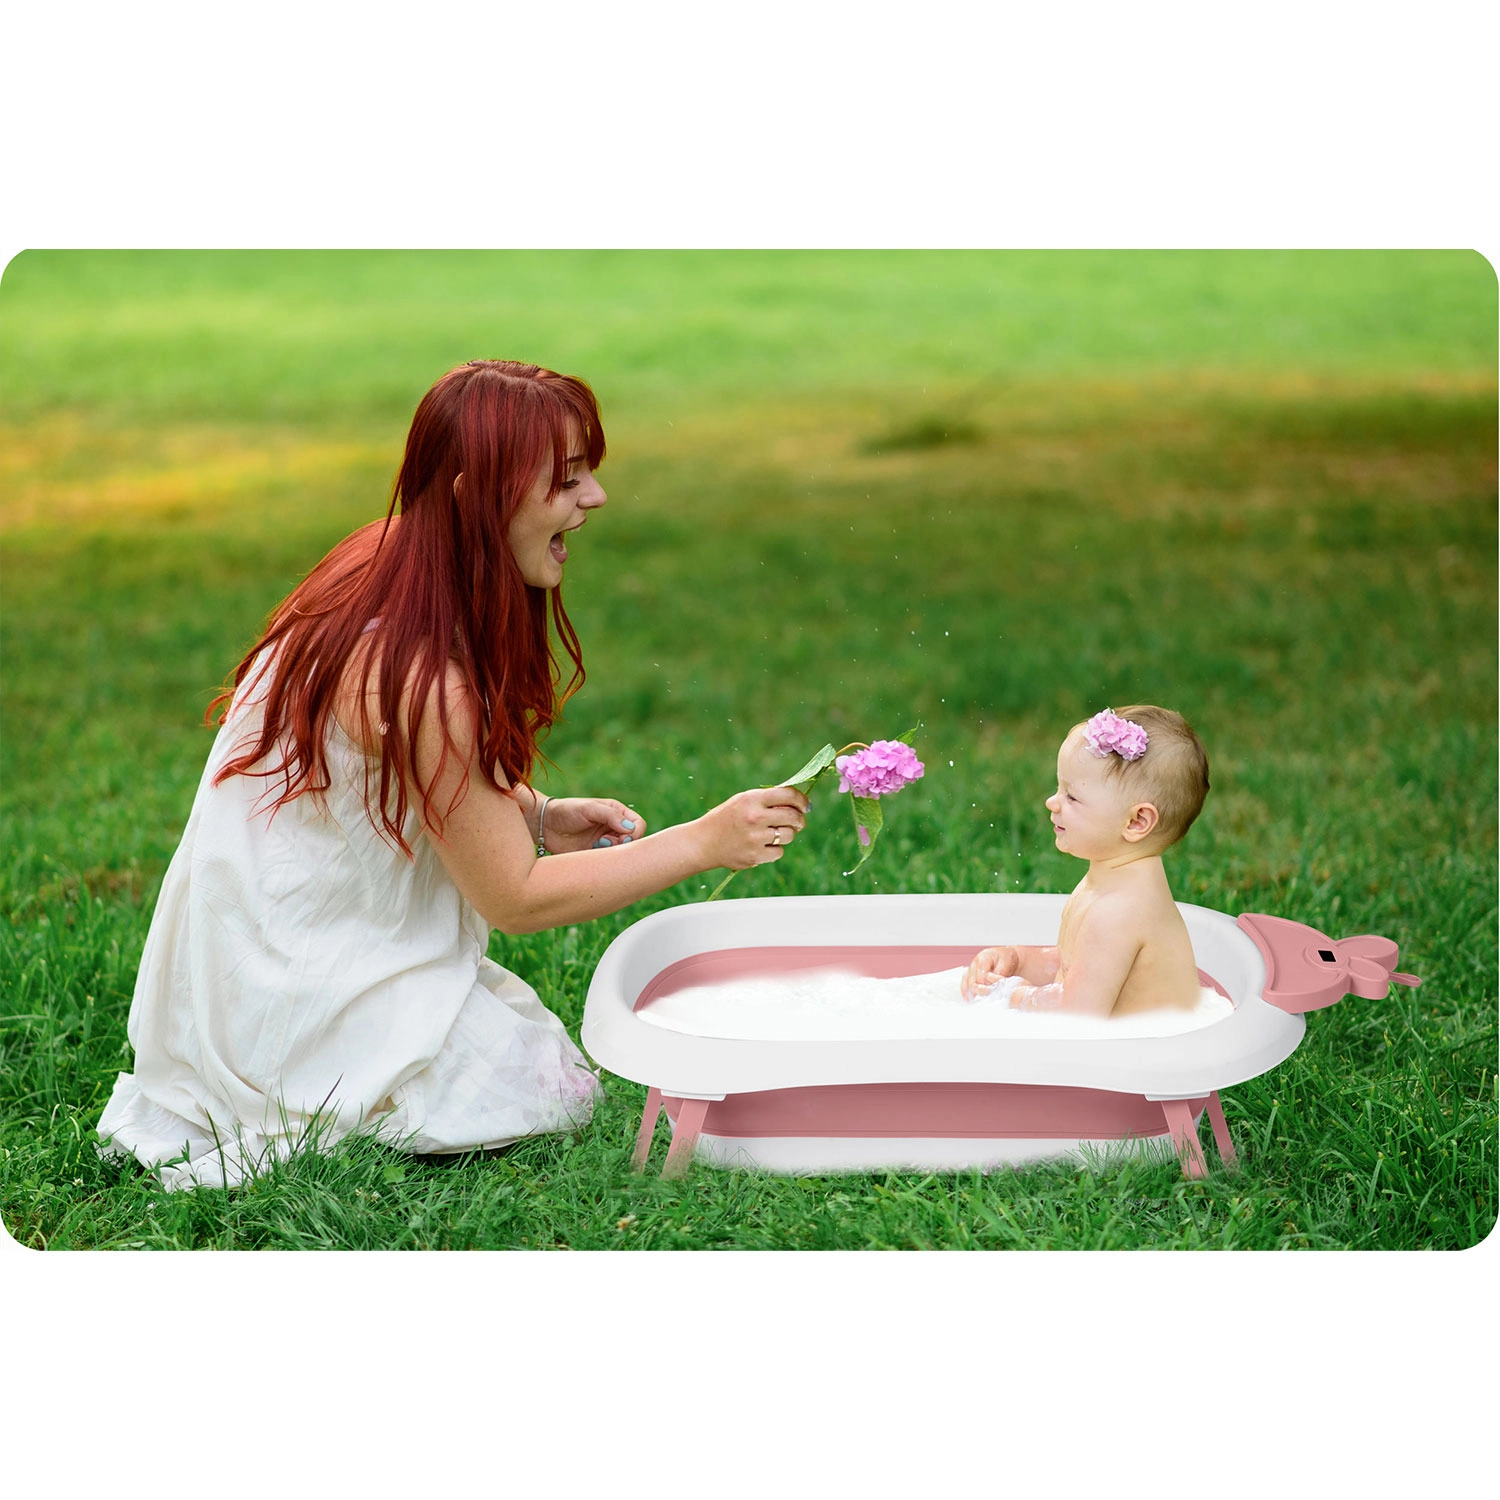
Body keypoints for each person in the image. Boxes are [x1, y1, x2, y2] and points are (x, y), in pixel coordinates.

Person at [96, 359, 810, 1189]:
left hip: (242, 970)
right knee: (541, 1087)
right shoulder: (420, 677)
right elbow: (515, 898)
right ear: (478, 497)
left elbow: (383, 776)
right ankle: (309, 1078)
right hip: (291, 994)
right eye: (567, 480)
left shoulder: (382, 560)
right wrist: (704, 842)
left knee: (522, 1058)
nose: (596, 498)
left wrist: (535, 812)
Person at [960, 705, 1210, 1016]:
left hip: (1150, 1043)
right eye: (1059, 788)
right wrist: (1017, 959)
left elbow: (1079, 1016)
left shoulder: (1119, 910)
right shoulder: (1108, 882)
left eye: (1072, 797)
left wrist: (1012, 996)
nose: (1052, 802)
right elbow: (1075, 964)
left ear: (1136, 822)